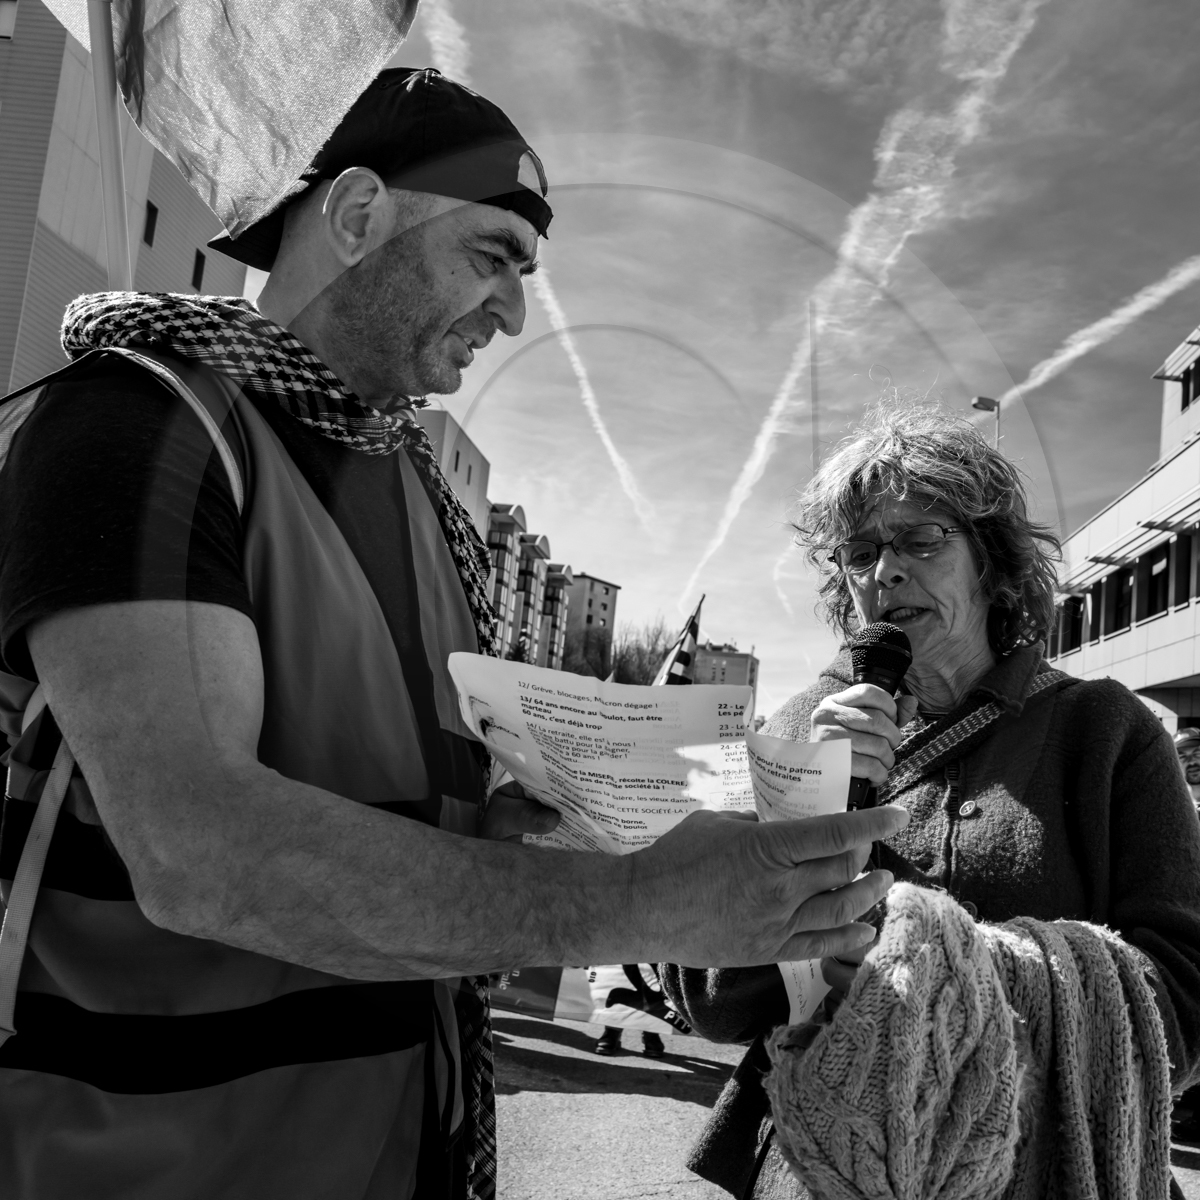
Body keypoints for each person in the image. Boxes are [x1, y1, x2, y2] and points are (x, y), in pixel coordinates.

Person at [0, 69, 907, 1200]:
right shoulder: (140, 421)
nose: (518, 314)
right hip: (145, 1161)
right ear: (355, 214)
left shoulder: (426, 506)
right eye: (492, 257)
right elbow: (195, 850)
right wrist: (632, 904)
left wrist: (556, 823)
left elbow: (396, 810)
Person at [661, 402, 1200, 1199]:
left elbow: (1185, 1006)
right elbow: (711, 1003)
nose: (885, 572)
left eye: (921, 539)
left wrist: (936, 966)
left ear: (992, 561)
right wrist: (805, 812)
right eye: (861, 551)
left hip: (1035, 1171)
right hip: (821, 1167)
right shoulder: (793, 730)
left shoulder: (1106, 731)